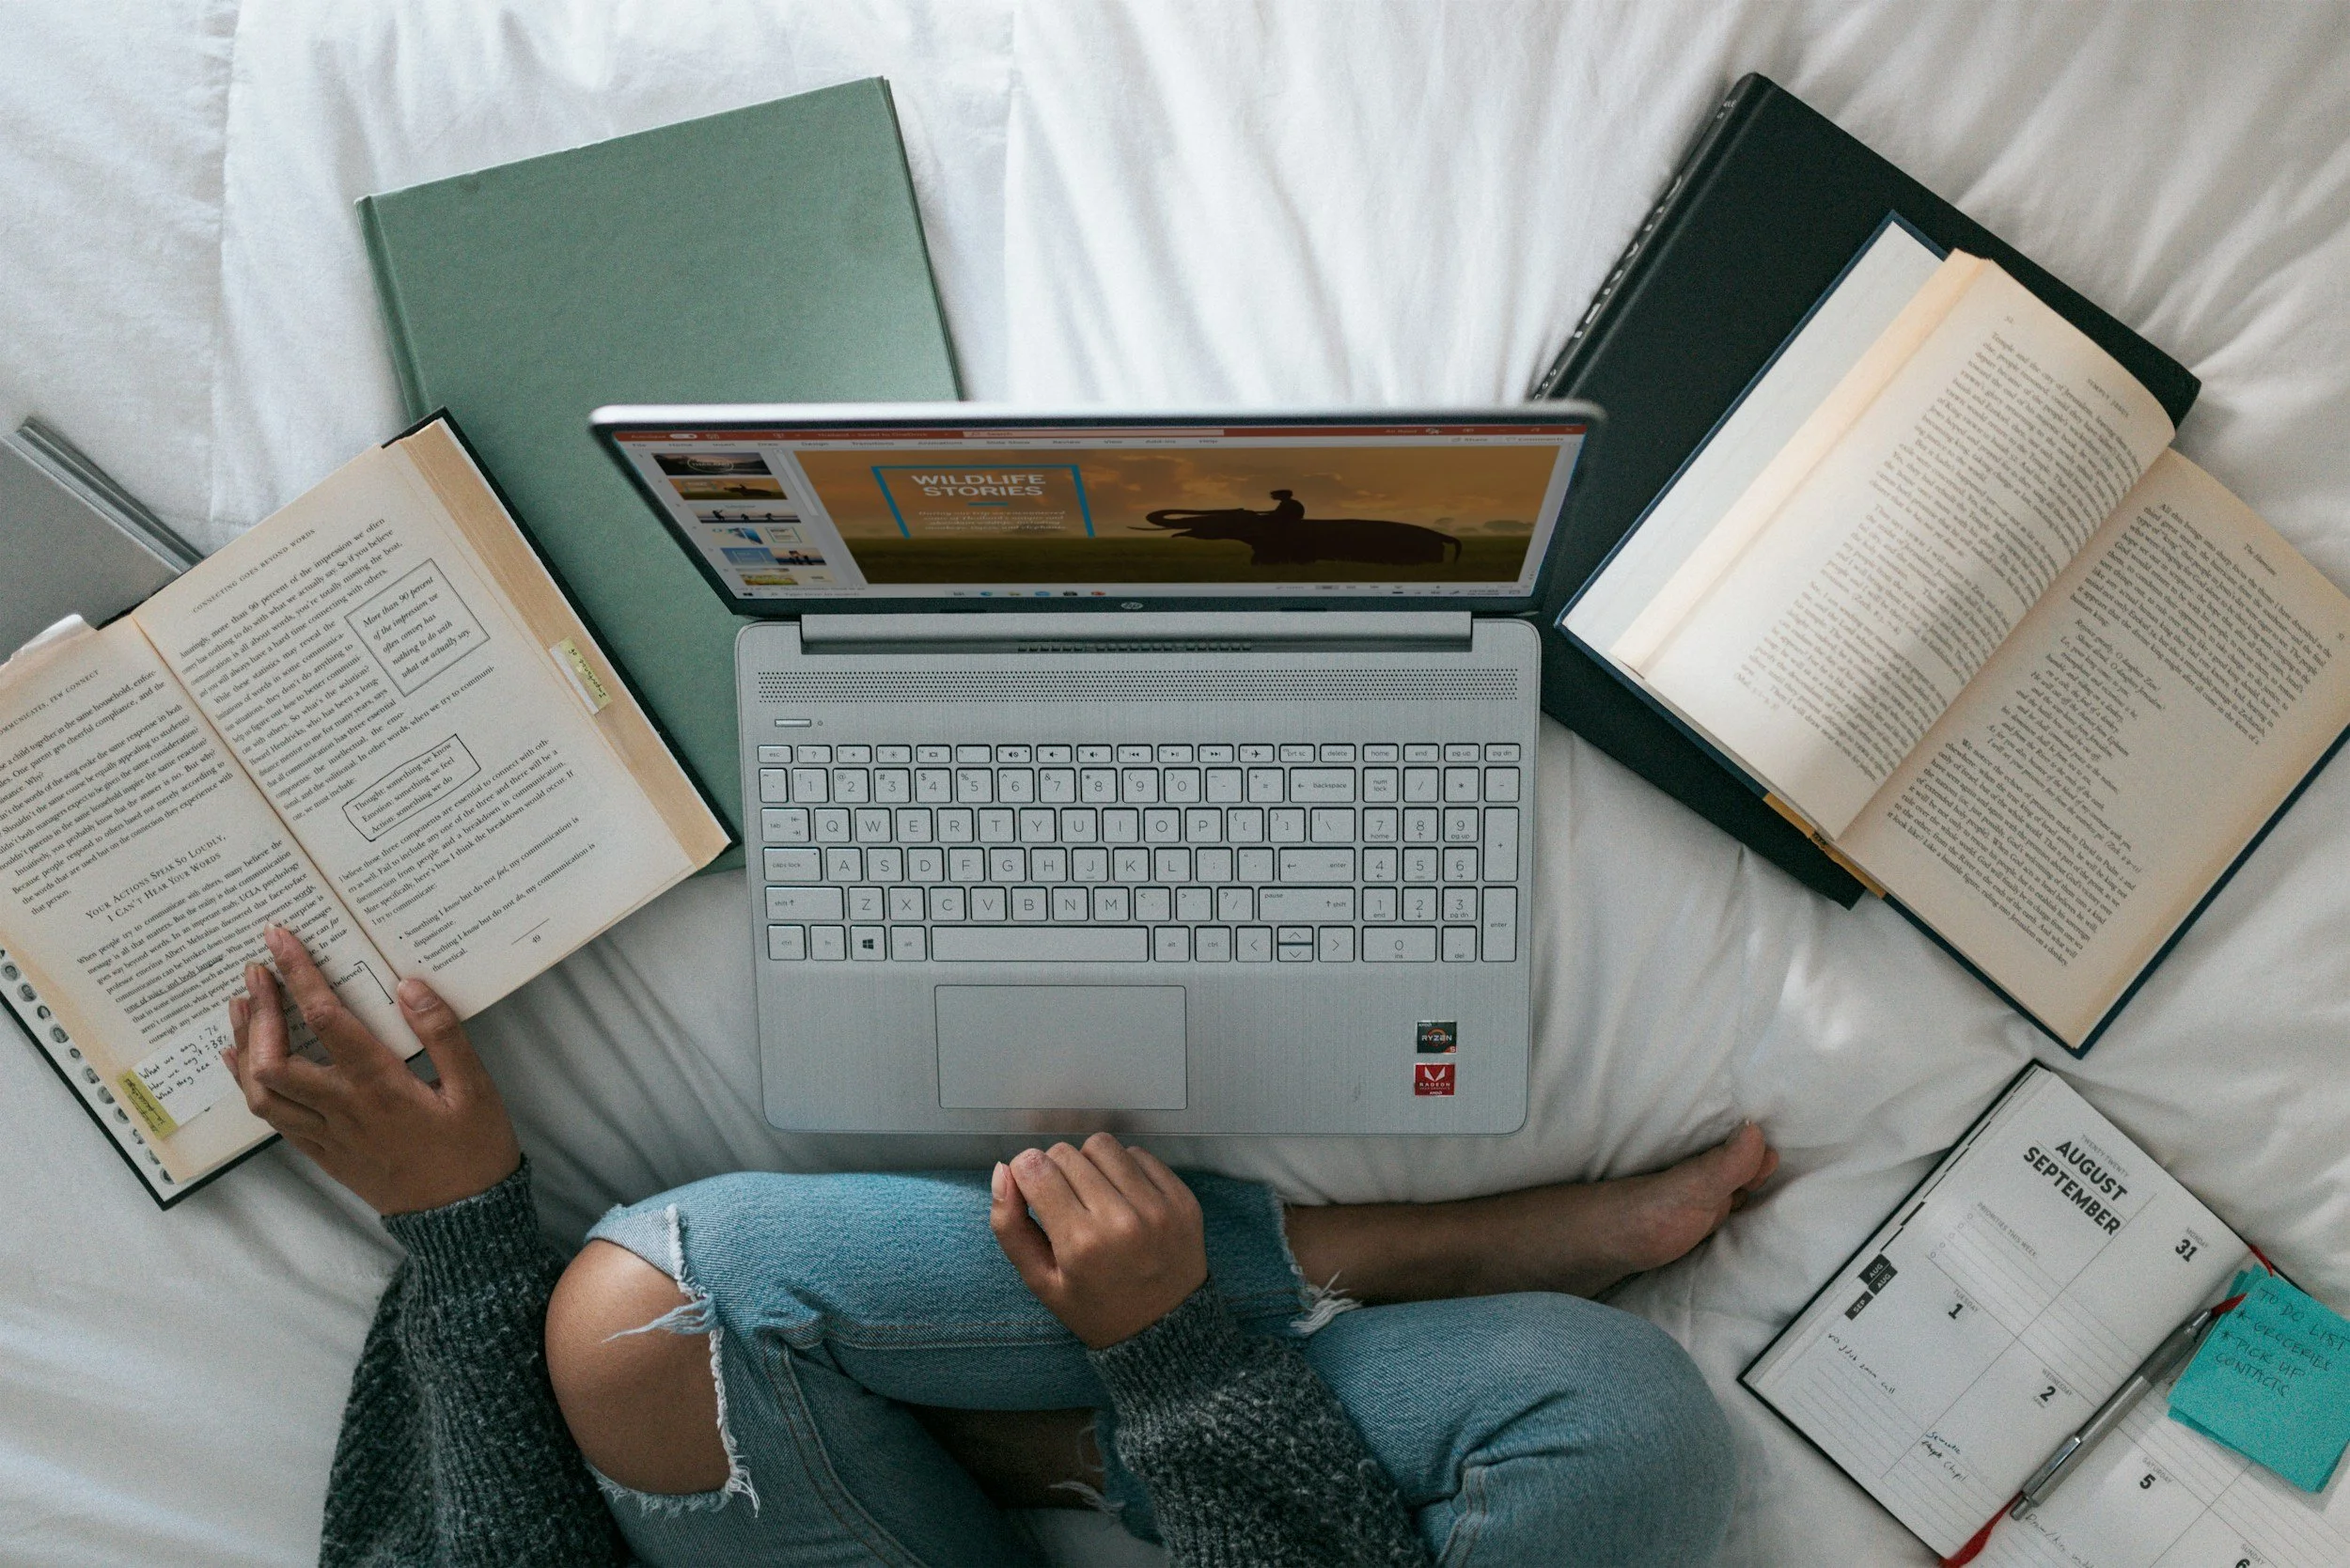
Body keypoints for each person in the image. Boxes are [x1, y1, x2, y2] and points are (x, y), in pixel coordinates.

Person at [224, 926, 1775, 1567]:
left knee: (655, 1298)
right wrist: (1170, 1362)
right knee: (1623, 1419)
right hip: (1202, 1421)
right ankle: (1136, 1396)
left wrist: (465, 1229)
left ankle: (1290, 1282)